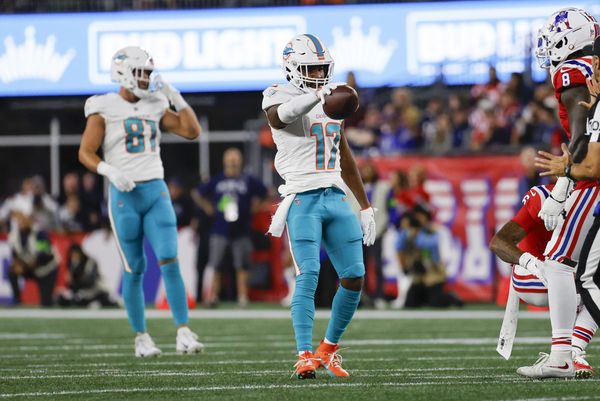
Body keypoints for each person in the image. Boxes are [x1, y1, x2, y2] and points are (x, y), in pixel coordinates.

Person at [262, 34, 376, 379]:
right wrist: (315, 96)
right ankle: (303, 354)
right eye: (310, 68)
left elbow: (343, 153)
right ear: (292, 68)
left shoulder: (332, 99)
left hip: (335, 194)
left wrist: (365, 205)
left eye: (322, 69)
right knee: (307, 276)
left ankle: (328, 349)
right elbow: (279, 118)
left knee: (355, 277)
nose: (318, 75)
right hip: (302, 198)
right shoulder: (278, 94)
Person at [78, 46, 204, 357]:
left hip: (155, 191)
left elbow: (192, 131)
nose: (147, 78)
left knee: (169, 260)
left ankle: (183, 332)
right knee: (134, 268)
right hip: (124, 196)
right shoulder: (103, 106)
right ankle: (141, 338)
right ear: (123, 73)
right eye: (142, 73)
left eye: (148, 72)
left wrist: (175, 95)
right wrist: (107, 169)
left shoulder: (156, 102)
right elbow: (85, 152)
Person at [516, 8, 600, 379]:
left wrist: (564, 182)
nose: (547, 42)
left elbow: (583, 132)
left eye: (553, 34)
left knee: (558, 262)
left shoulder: (571, 71)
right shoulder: (587, 69)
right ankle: (571, 351)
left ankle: (562, 355)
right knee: (593, 278)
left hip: (592, 181)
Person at [490, 184, 597, 378]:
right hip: (532, 275)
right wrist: (533, 264)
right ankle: (569, 353)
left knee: (592, 284)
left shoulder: (592, 197)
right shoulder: (543, 195)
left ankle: (573, 351)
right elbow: (499, 241)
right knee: (589, 283)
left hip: (567, 272)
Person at [194, 148, 267, 307]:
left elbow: (266, 192)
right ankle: (213, 296)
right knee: (216, 264)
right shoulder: (217, 179)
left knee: (242, 265)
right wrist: (207, 207)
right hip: (220, 229)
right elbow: (197, 193)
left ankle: (242, 297)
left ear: (240, 161)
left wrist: (258, 206)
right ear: (225, 161)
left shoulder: (248, 180)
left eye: (235, 159)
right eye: (230, 159)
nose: (233, 163)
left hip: (242, 229)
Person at [8, 211, 58, 306]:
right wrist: (18, 265)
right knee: (12, 270)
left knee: (46, 303)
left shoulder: (39, 233)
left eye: (24, 221)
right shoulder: (15, 236)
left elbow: (43, 255)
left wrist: (24, 267)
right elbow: (15, 255)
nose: (21, 223)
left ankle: (53, 299)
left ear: (30, 221)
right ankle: (17, 300)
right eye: (19, 221)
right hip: (30, 268)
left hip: (46, 270)